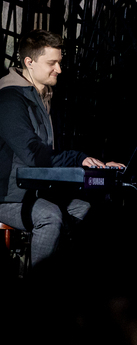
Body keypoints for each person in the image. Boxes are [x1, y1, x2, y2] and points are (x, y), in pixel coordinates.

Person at [0, 29, 120, 266]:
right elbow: (33, 154)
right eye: (51, 63)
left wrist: (96, 165)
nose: (59, 69)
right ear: (29, 62)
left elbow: (52, 154)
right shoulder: (9, 100)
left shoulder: (42, 96)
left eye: (59, 62)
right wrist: (77, 159)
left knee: (85, 210)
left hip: (33, 191)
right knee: (50, 216)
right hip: (6, 196)